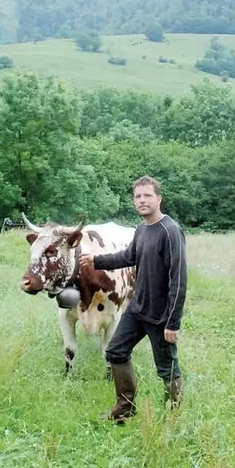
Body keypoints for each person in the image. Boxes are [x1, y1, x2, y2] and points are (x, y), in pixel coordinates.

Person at [79, 175, 187, 423]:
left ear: (159, 198)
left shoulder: (170, 231)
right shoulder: (142, 230)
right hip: (137, 309)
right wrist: (97, 261)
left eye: (147, 195)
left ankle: (175, 419)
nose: (142, 200)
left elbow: (178, 280)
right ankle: (125, 407)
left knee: (167, 368)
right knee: (116, 351)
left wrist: (172, 322)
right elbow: (128, 256)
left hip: (160, 315)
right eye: (138, 196)